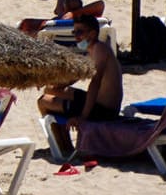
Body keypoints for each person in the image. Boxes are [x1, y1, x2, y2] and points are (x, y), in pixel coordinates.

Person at [38, 15, 123, 155]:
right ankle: (63, 141)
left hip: (103, 110)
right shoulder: (93, 49)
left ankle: (63, 146)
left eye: (79, 32)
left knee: (43, 102)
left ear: (92, 33)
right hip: (98, 102)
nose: (76, 36)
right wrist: (48, 83)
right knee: (51, 89)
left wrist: (83, 117)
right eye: (74, 32)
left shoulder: (100, 51)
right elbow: (74, 77)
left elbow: (94, 85)